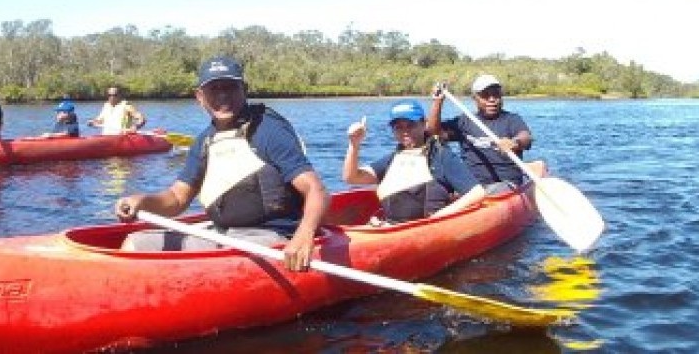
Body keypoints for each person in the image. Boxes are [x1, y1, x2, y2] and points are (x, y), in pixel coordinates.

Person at [115, 55, 329, 272]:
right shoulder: (205, 141)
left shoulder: (269, 130)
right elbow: (177, 198)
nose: (223, 96)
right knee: (135, 244)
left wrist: (304, 235)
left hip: (270, 239)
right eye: (214, 89)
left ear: (244, 89)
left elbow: (316, 190)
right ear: (199, 96)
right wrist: (141, 201)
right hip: (223, 235)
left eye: (230, 87)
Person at [343, 87, 485, 224]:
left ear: (423, 124)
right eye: (398, 127)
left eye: (410, 125)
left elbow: (477, 193)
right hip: (392, 228)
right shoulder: (392, 159)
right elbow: (352, 177)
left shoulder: (441, 156)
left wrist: (437, 218)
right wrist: (354, 144)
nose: (405, 131)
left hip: (428, 228)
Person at [440, 74, 547, 192]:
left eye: (496, 94)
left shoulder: (512, 119)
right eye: (485, 95)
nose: (492, 99)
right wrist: (438, 102)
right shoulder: (464, 122)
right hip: (472, 186)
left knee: (493, 190)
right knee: (438, 187)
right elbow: (435, 132)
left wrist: (514, 142)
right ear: (475, 98)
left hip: (505, 185)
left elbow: (526, 138)